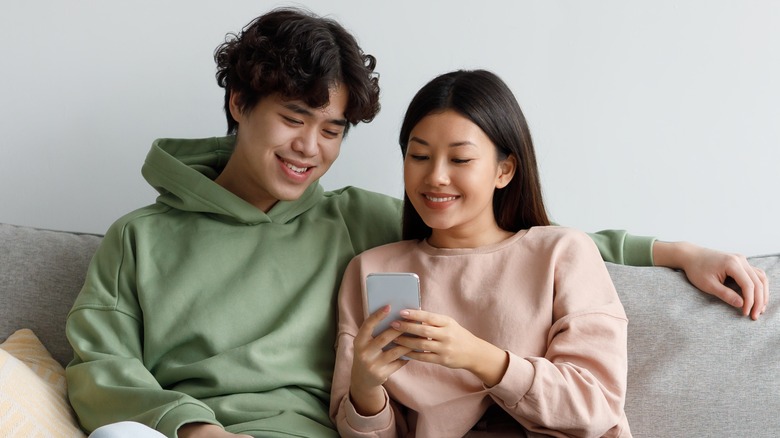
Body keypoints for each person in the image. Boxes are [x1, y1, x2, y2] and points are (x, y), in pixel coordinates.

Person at [65, 7, 767, 438]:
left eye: (333, 129)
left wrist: (677, 251)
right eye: (292, 119)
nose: (311, 148)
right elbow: (96, 367)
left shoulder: (358, 225)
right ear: (240, 103)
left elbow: (506, 239)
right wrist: (191, 427)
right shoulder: (140, 238)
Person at [330, 69, 633, 436]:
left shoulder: (562, 253)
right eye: (420, 155)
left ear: (504, 170)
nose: (436, 176)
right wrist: (364, 389)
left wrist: (479, 357)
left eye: (459, 160)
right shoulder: (369, 270)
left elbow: (594, 406)